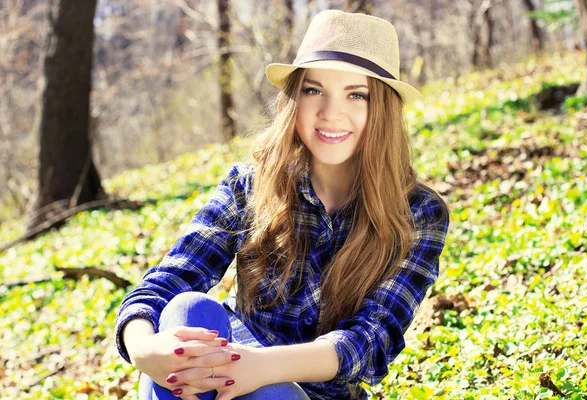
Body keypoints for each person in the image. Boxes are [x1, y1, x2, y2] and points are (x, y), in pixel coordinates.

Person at [114, 9, 450, 400]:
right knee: (188, 310)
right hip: (224, 365)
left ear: (384, 110)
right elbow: (168, 281)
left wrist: (260, 369)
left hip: (308, 393)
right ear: (295, 98)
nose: (330, 112)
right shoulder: (251, 183)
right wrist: (144, 352)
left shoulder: (417, 213)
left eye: (357, 94)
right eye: (314, 89)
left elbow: (370, 340)